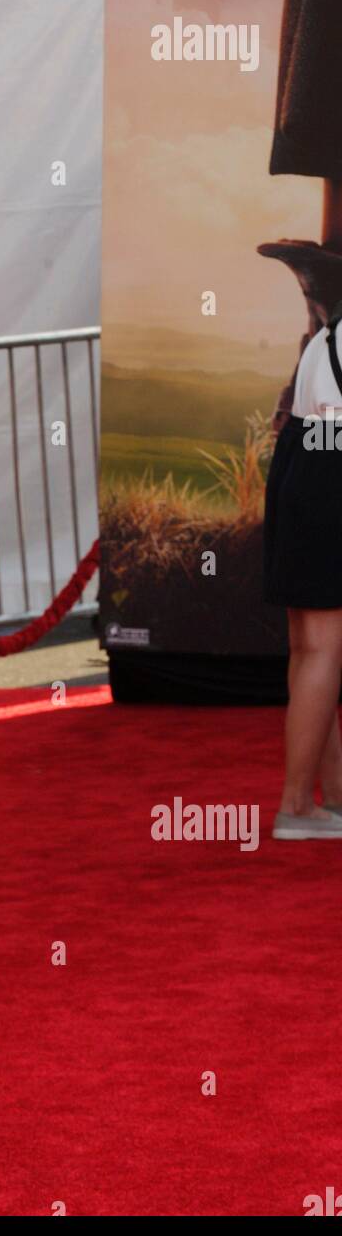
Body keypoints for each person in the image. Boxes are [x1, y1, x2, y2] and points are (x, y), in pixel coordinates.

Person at [264, 301, 342, 839]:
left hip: (301, 464)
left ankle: (331, 796)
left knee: (310, 646)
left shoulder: (325, 334)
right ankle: (296, 804)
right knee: (321, 647)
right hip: (328, 468)